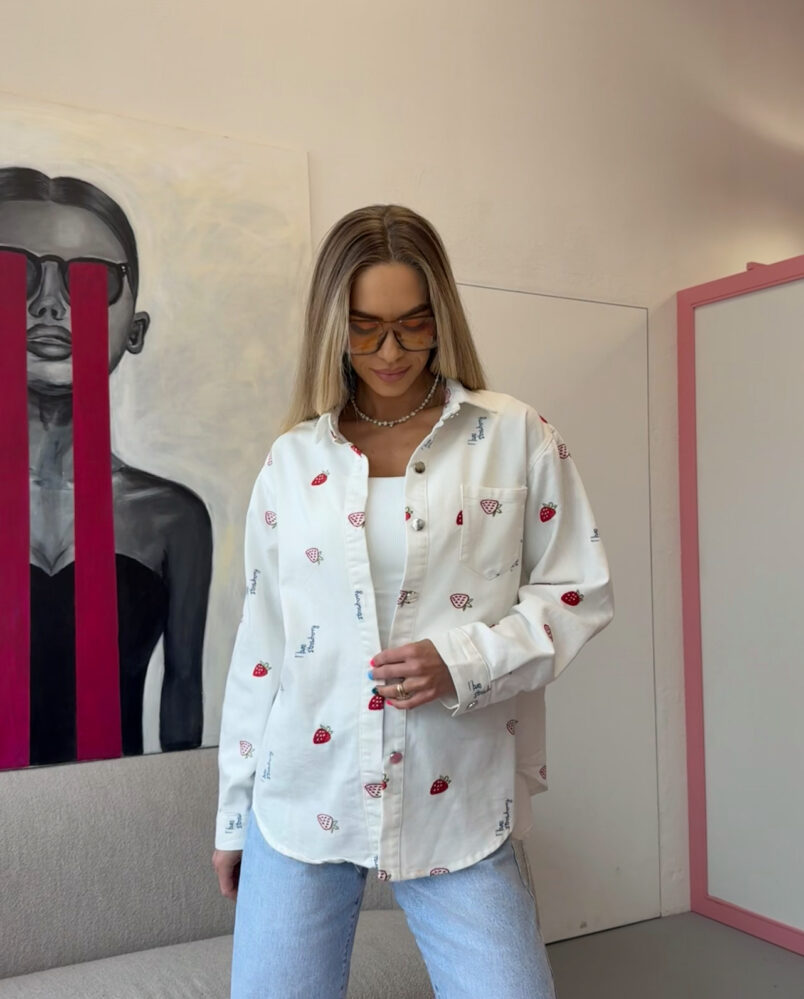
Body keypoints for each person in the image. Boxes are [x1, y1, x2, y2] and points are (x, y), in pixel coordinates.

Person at [213, 204, 614, 998]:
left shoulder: (515, 435)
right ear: (333, 327)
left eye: (412, 324)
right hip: (303, 793)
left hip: (457, 795)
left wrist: (462, 660)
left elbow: (577, 592)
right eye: (365, 328)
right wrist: (233, 814)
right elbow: (261, 648)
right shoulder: (292, 460)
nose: (391, 352)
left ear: (442, 316)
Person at [0, 166, 211, 765]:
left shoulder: (173, 519)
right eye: (12, 272)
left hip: (117, 809)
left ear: (135, 330)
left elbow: (183, 701)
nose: (48, 304)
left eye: (90, 279)